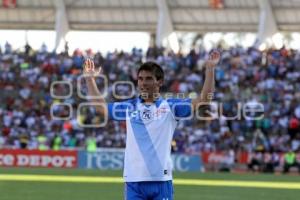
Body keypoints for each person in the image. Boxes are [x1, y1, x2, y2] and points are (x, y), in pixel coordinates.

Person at [83, 50, 220, 200]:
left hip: (161, 182)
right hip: (133, 182)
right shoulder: (130, 107)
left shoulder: (171, 107)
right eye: (140, 79)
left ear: (160, 82)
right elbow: (100, 108)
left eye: (148, 79)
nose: (143, 83)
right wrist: (90, 80)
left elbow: (204, 100)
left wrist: (210, 69)